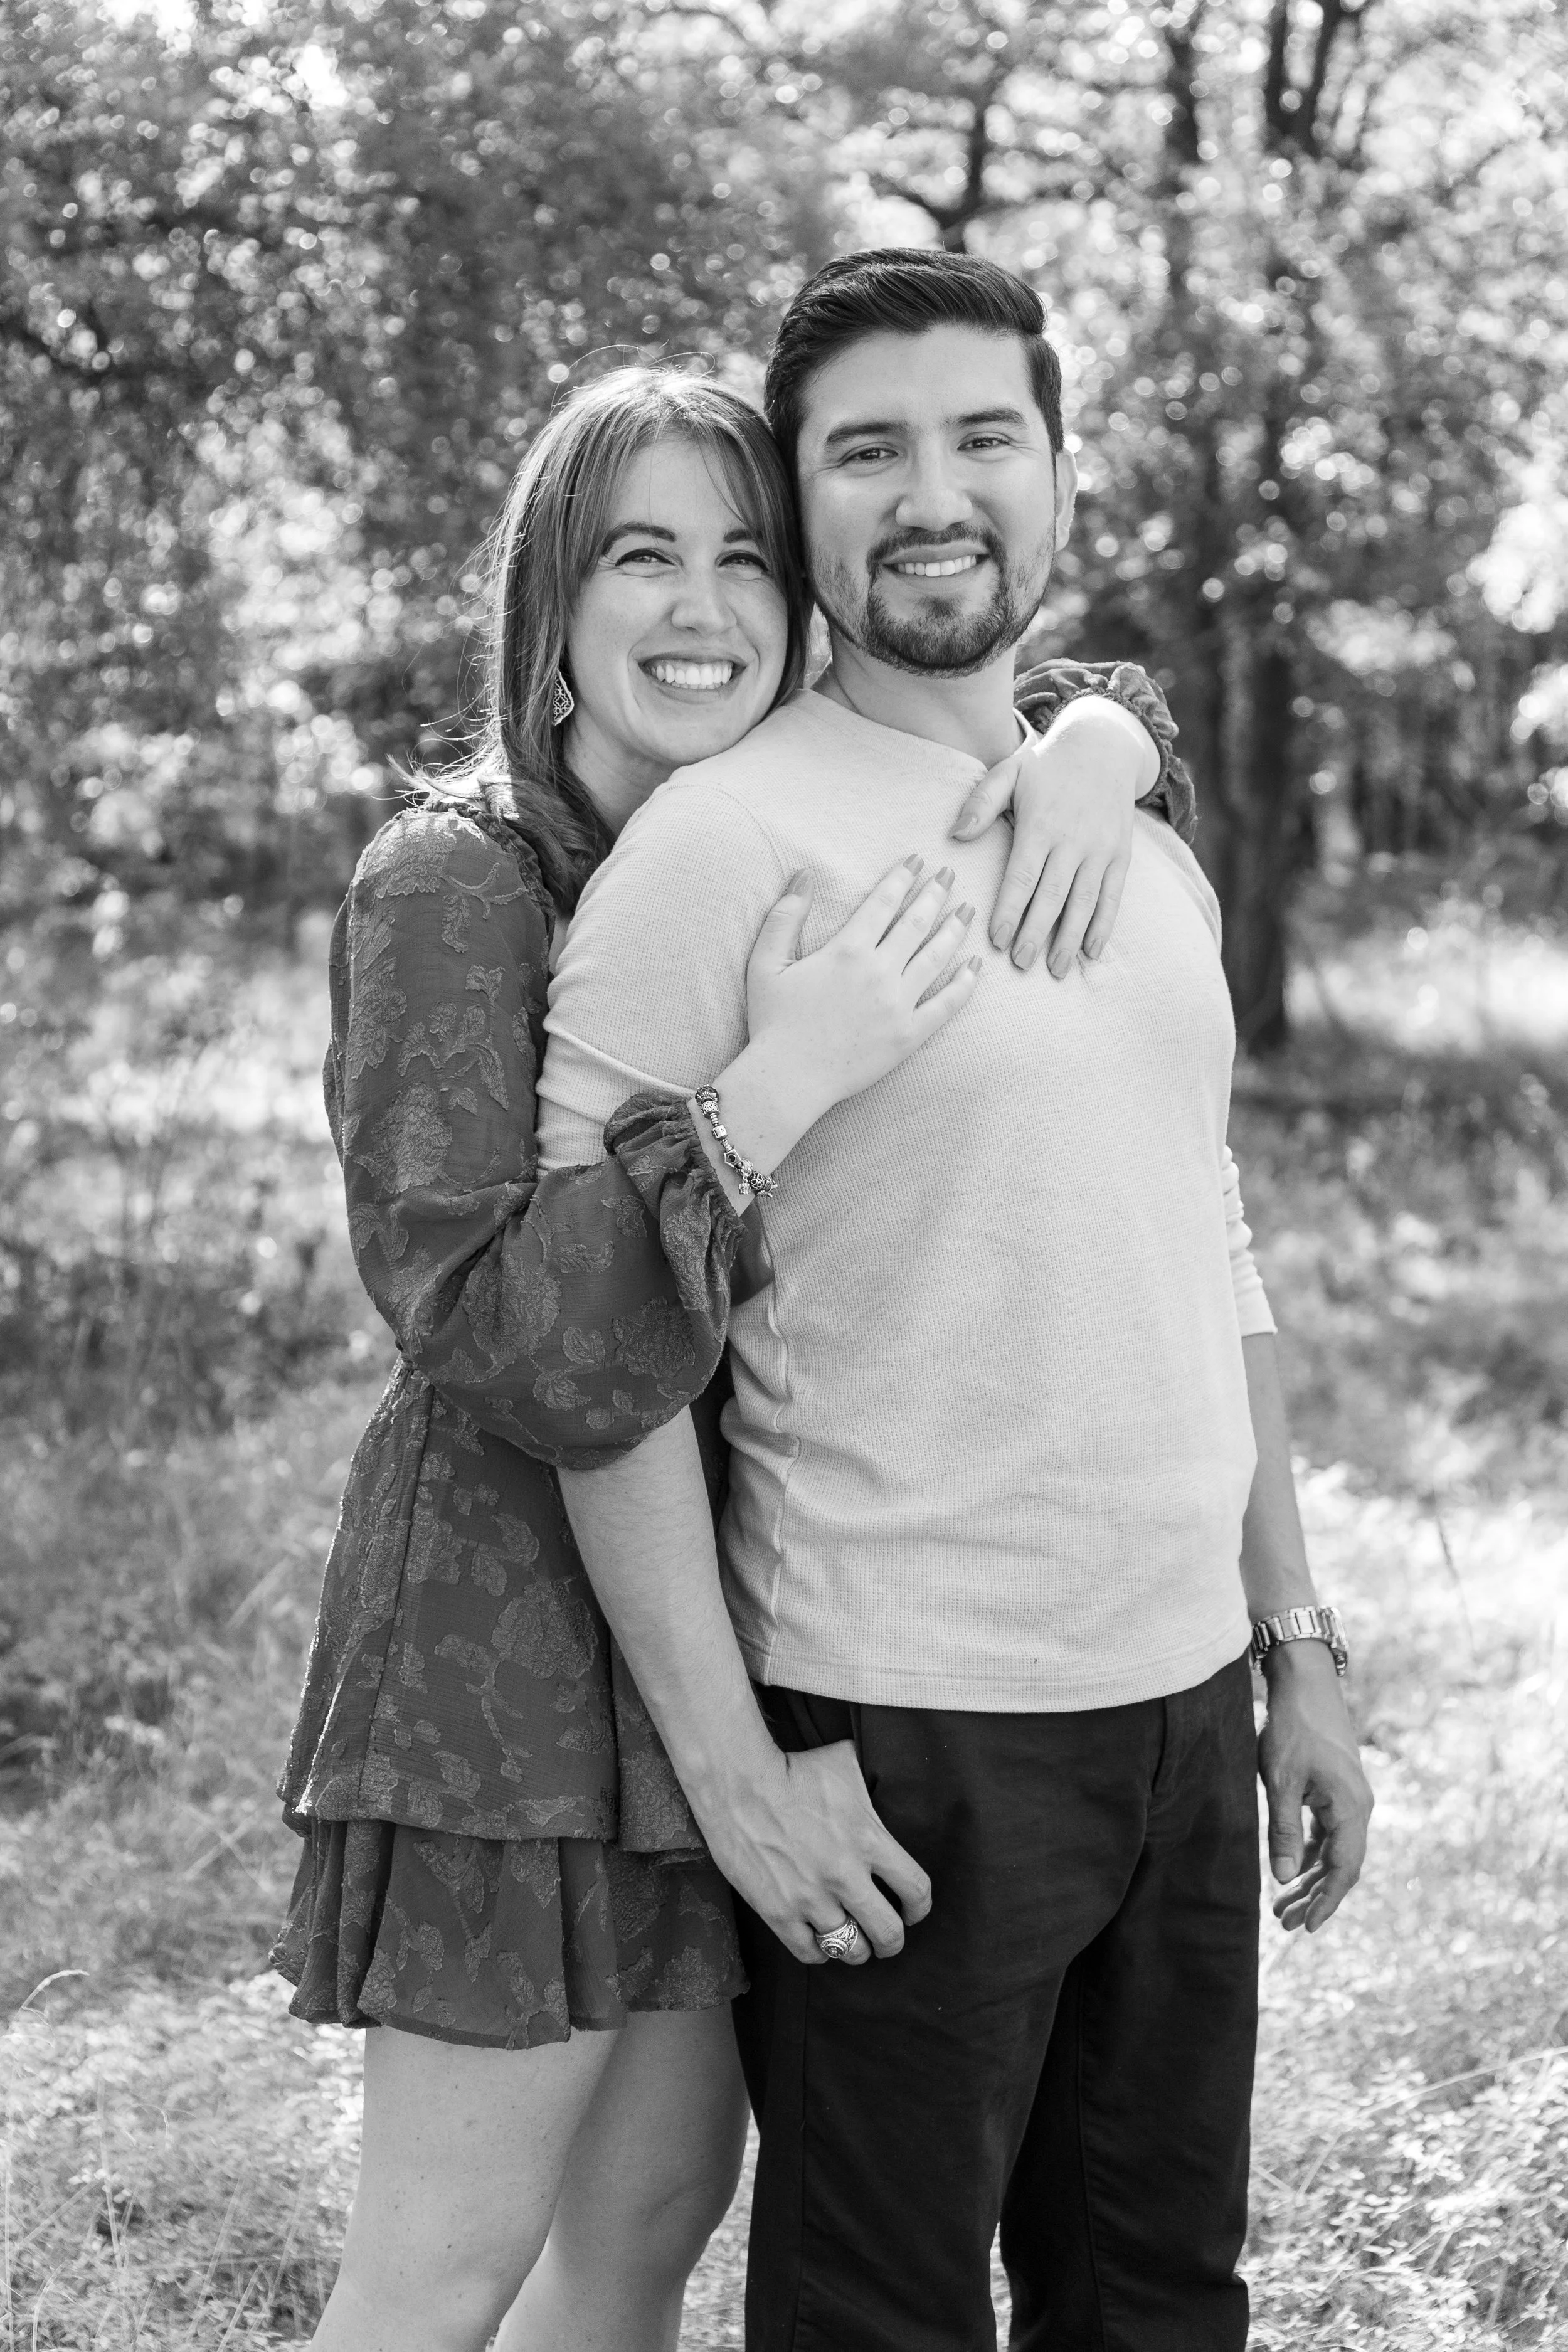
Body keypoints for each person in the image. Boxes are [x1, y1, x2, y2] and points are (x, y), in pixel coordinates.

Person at [271, 360, 1187, 2352]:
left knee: (653, 2219)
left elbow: (1029, 716)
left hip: (723, 1608)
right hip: (508, 1644)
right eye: (639, 559)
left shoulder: (721, 830)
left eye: (743, 558)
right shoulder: (457, 874)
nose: (700, 607)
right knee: (443, 2258)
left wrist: (1104, 735)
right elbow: (491, 1331)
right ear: (552, 597)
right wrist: (775, 1083)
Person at [541, 250, 1377, 2352]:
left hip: (1182, 1711)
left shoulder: (1142, 840)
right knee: (880, 2321)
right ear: (804, 503)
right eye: (867, 449)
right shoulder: (718, 849)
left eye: (981, 434)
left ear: (1062, 473)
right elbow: (590, 1348)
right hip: (905, 1729)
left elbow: (1210, 1239)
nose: (933, 492)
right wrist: (738, 1766)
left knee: (1162, 2297)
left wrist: (1297, 1646)